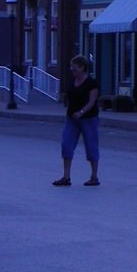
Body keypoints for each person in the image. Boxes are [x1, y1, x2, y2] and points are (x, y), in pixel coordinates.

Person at [53, 55, 100, 186]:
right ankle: (66, 177)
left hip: (88, 119)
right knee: (66, 145)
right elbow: (69, 96)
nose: (72, 70)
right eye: (71, 68)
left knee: (91, 146)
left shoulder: (92, 83)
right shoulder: (72, 82)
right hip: (71, 119)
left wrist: (81, 112)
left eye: (75, 68)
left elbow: (92, 102)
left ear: (82, 67)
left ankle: (94, 176)